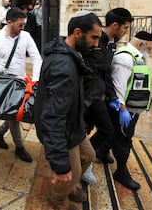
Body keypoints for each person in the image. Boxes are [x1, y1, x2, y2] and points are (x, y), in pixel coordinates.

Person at [33, 11, 101, 210]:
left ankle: (70, 186)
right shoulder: (63, 65)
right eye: (94, 38)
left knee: (88, 155)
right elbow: (53, 117)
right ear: (78, 33)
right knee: (72, 169)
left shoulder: (70, 54)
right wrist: (61, 167)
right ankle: (58, 198)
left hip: (74, 123)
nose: (96, 44)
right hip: (64, 130)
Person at [0, 7, 42, 163]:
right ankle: (20, 147)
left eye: (24, 24)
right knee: (14, 115)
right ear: (9, 22)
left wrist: (35, 80)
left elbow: (37, 59)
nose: (23, 28)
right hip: (1, 82)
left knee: (14, 113)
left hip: (20, 82)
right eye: (20, 24)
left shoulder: (26, 36)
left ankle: (0, 132)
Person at [84, 7, 134, 165]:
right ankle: (83, 158)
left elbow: (106, 72)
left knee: (89, 128)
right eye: (125, 27)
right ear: (114, 25)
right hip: (90, 93)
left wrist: (113, 97)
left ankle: (85, 157)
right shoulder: (98, 40)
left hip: (100, 93)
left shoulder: (112, 43)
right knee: (105, 129)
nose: (126, 31)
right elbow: (98, 71)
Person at [109, 31, 152, 190]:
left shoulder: (137, 57)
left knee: (111, 134)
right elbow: (118, 87)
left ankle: (100, 152)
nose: (150, 51)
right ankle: (121, 172)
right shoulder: (125, 58)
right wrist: (122, 110)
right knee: (124, 141)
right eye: (149, 48)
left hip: (132, 110)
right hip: (124, 110)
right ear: (141, 44)